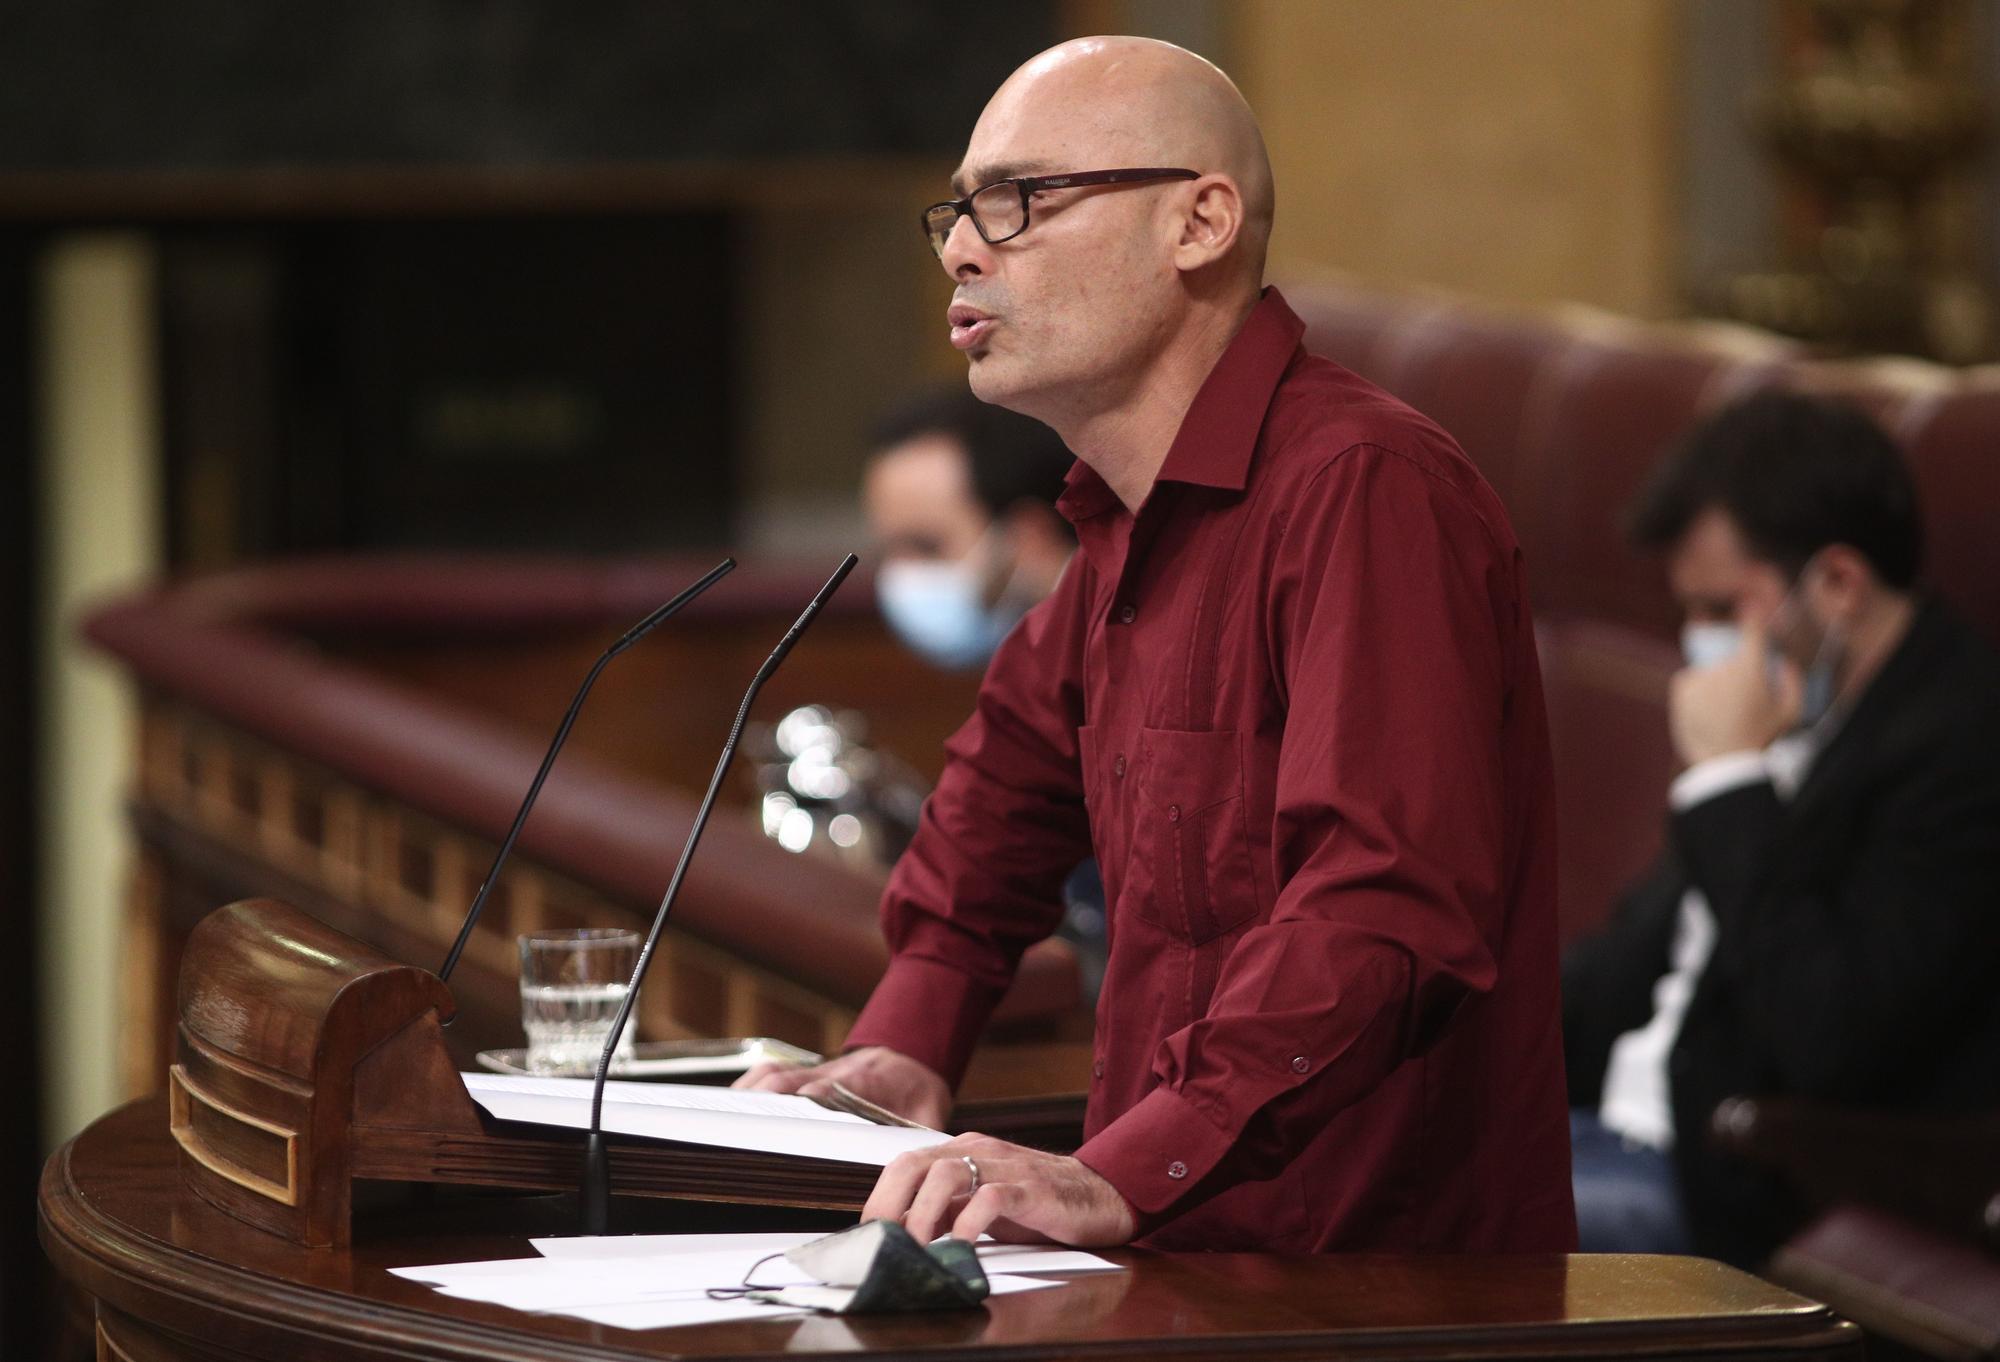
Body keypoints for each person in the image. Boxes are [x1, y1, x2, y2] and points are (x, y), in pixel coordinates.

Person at [743, 35, 1575, 1254]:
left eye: (1019, 202)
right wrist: (906, 1046)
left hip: (1363, 1289)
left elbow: (1382, 905)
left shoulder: (1365, 487)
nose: (964, 250)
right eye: (957, 214)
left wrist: (1123, 1170)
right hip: (1171, 1256)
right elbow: (1001, 789)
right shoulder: (1129, 521)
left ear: (1198, 223)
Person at [1563, 390, 2000, 1267]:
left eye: (1725, 610)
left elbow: (1833, 1035)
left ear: (1836, 583)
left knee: (1416, 1234)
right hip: (1609, 1131)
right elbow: (1628, 967)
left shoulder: (1962, 746)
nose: (1697, 647)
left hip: (1736, 1184)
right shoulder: (1795, 712)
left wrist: (1728, 780)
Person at [864, 388, 1077, 672]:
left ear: (1031, 537)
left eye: (926, 546)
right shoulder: (1025, 683)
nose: (900, 573)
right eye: (887, 550)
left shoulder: (1117, 677)